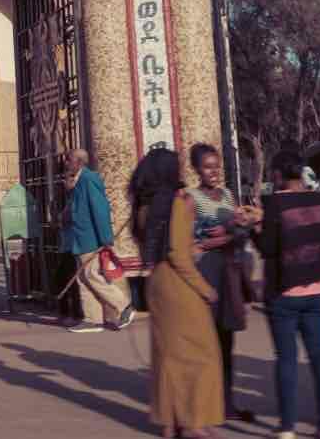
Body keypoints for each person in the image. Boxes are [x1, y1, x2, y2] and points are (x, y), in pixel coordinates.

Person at [133, 146, 223, 438]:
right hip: (179, 284)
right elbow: (179, 254)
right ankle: (196, 421)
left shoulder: (143, 207)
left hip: (156, 283)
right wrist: (205, 288)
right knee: (202, 353)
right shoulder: (178, 203)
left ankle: (169, 422)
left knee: (167, 355)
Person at [258, 148, 320, 439]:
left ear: (278, 174)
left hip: (283, 292)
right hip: (317, 289)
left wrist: (254, 228)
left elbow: (267, 248)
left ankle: (287, 427)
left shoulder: (273, 205)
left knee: (287, 359)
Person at [188, 143, 259, 423]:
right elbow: (193, 242)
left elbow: (240, 231)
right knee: (207, 344)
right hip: (207, 272)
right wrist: (225, 236)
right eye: (207, 166)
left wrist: (238, 229)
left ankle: (227, 404)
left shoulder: (229, 195)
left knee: (227, 341)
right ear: (196, 169)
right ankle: (203, 406)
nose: (214, 171)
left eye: (216, 165)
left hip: (229, 270)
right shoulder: (191, 199)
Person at [60, 148, 133, 333]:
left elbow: (100, 209)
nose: (65, 163)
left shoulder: (89, 179)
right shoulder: (77, 182)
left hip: (90, 238)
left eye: (68, 159)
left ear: (79, 162)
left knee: (92, 275)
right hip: (80, 238)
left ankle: (124, 305)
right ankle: (92, 319)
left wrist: (105, 238)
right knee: (83, 278)